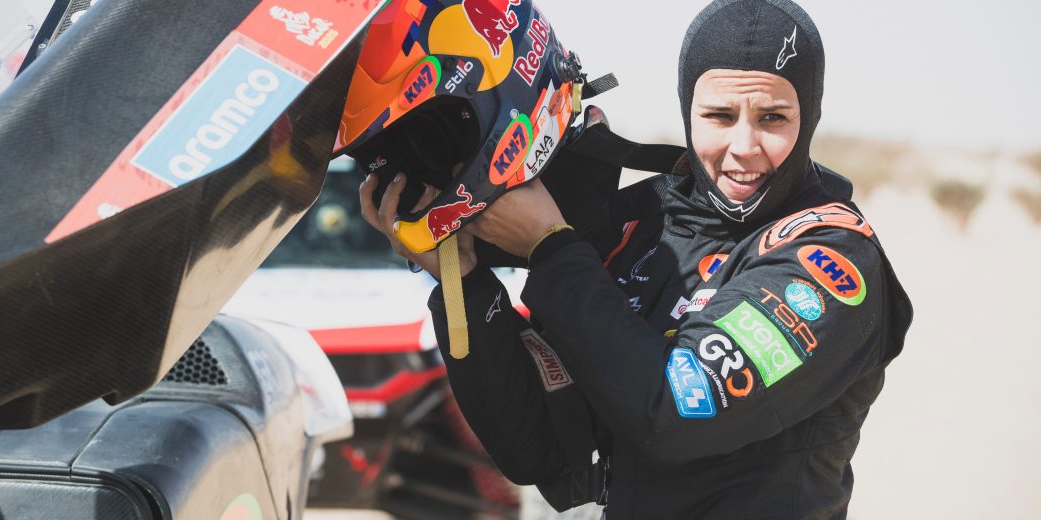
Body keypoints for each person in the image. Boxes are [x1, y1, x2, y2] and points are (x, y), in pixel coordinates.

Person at [359, 0, 913, 517]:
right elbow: (542, 453)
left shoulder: (829, 258)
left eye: (773, 118)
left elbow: (673, 413)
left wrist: (552, 247)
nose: (744, 147)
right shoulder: (645, 223)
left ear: (808, 117)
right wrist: (463, 276)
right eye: (719, 116)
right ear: (688, 112)